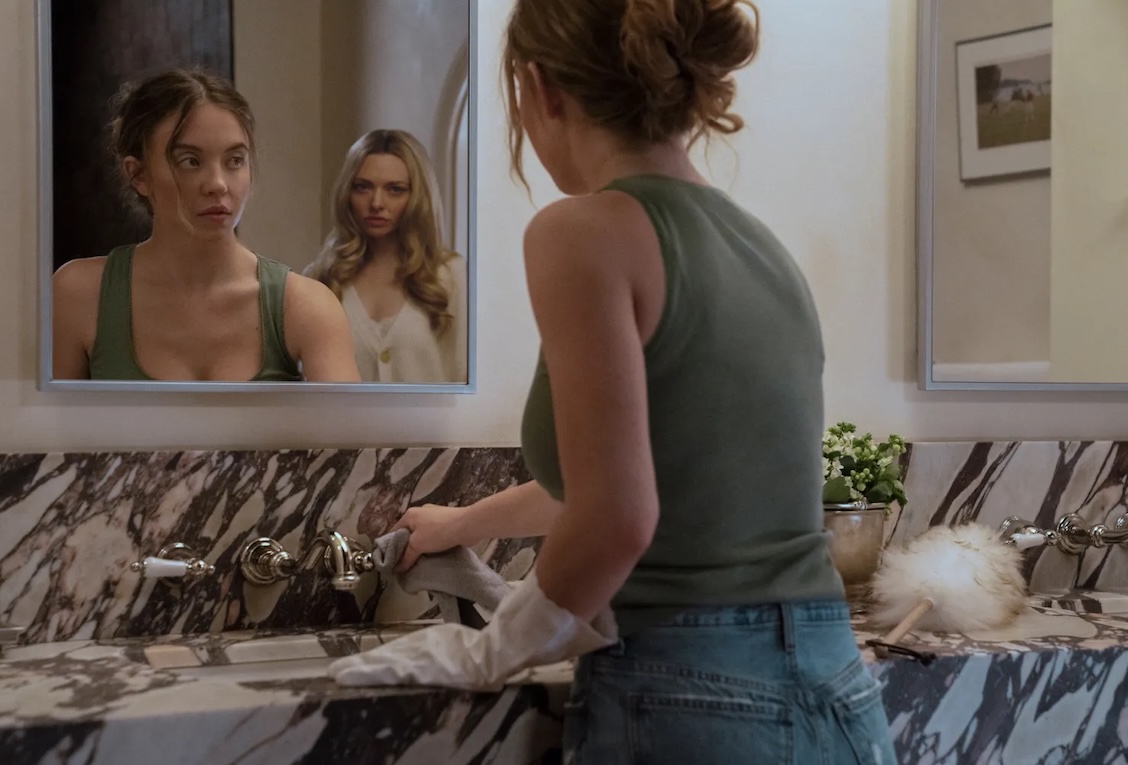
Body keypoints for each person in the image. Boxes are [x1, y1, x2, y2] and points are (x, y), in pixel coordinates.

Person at [326, 1, 897, 763]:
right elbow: (644, 474)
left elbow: (619, 516)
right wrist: (463, 523)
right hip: (839, 690)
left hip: (693, 689)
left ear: (539, 88)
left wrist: (493, 648)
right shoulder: (763, 248)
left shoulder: (580, 230)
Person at [52, 68, 360, 383]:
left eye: (235, 161)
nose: (217, 184)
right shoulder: (80, 295)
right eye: (190, 161)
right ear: (139, 175)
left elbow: (347, 417)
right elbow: (39, 414)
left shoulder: (305, 306)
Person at [304, 130, 467, 384]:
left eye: (395, 190)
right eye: (363, 187)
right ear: (347, 192)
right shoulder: (320, 279)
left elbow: (465, 377)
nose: (376, 203)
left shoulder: (452, 276)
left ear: (417, 196)